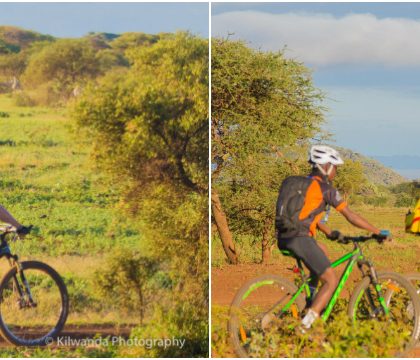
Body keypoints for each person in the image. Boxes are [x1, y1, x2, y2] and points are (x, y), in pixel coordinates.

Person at [275, 145, 390, 330]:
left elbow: (308, 217)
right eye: (335, 167)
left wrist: (331, 233)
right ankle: (305, 326)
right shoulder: (324, 189)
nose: (336, 171)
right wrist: (377, 231)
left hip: (285, 237)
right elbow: (350, 215)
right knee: (331, 280)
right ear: (326, 166)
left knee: (322, 250)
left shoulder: (305, 185)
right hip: (301, 238)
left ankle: (310, 302)